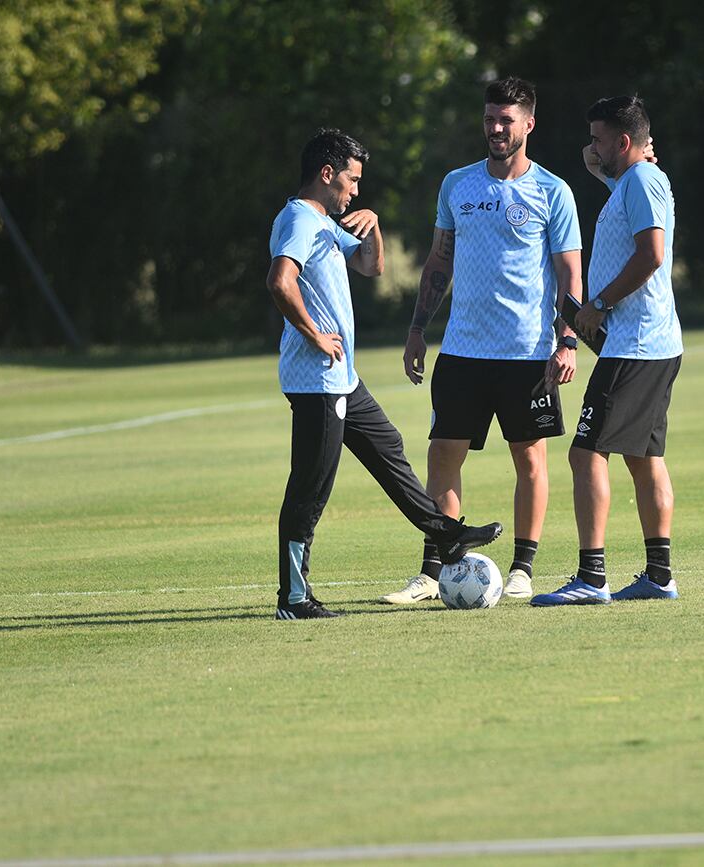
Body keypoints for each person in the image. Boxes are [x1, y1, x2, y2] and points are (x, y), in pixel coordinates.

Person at [267, 128, 501, 619]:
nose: (355, 191)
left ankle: (447, 537)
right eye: (351, 181)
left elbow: (371, 268)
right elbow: (279, 281)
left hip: (343, 379)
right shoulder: (298, 219)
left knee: (388, 448)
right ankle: (293, 597)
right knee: (311, 487)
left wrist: (372, 225)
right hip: (318, 379)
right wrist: (314, 335)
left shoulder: (324, 222)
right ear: (326, 174)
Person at [380, 77, 583, 605]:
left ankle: (522, 568)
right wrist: (417, 328)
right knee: (442, 457)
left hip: (526, 355)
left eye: (507, 119)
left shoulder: (552, 191)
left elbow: (569, 276)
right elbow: (439, 261)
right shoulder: (458, 185)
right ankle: (434, 570)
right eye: (490, 118)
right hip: (463, 351)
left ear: (529, 124)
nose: (496, 128)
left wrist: (568, 341)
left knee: (530, 460)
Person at [531, 96, 682, 606]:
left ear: (623, 142)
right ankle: (659, 576)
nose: (591, 147)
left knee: (585, 453)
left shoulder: (639, 181)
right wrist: (609, 149)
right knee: (643, 457)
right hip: (650, 342)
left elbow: (652, 254)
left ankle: (591, 578)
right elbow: (595, 160)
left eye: (600, 138)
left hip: (633, 343)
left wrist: (597, 304)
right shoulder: (633, 179)